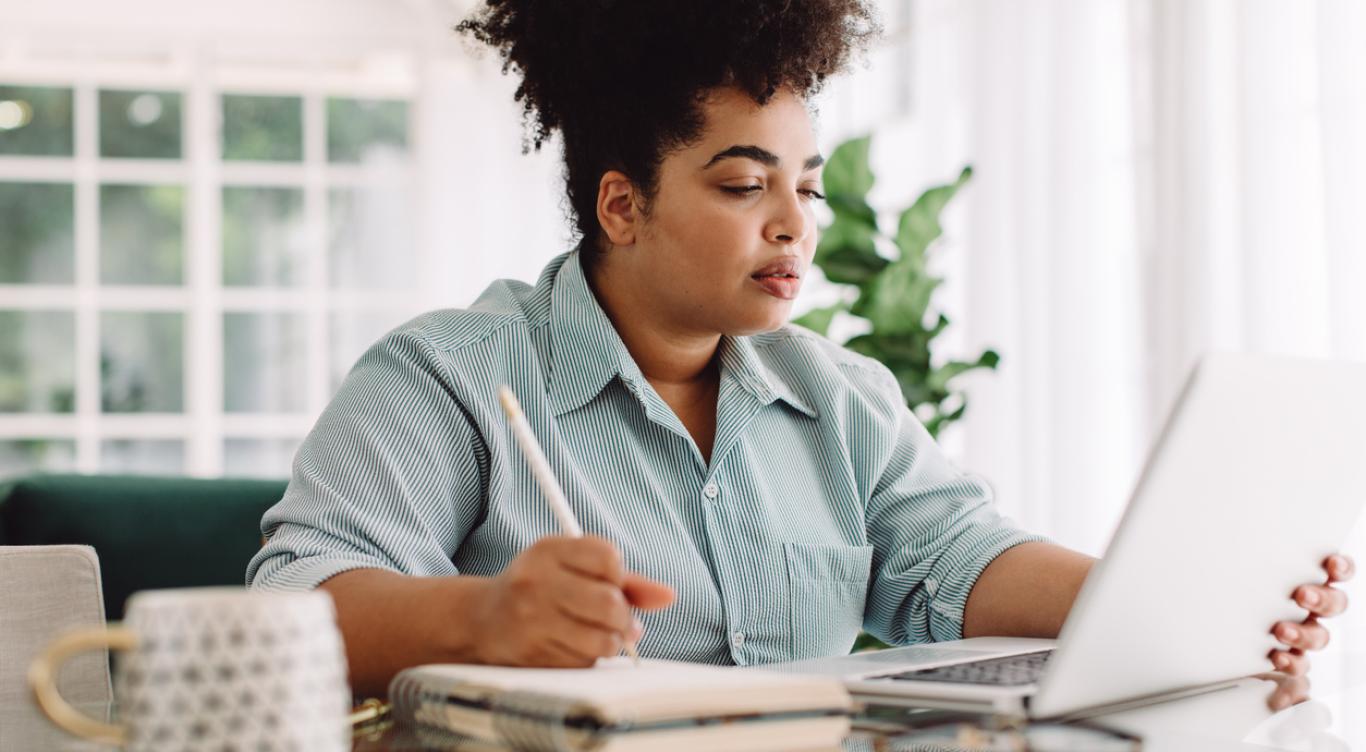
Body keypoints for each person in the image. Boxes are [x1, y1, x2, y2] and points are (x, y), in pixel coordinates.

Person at [245, 0, 1353, 707]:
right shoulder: (448, 375)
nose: (794, 223)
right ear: (621, 205)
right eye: (742, 185)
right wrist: (482, 617)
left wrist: (1158, 602)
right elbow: (292, 605)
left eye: (806, 184)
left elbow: (957, 560)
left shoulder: (839, 394)